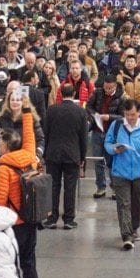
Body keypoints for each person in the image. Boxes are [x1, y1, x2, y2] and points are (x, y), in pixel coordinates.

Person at [0, 111, 41, 278]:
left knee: (11, 263)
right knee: (29, 260)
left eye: (0, 143)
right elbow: (30, 138)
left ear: (6, 146)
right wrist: (27, 112)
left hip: (14, 224)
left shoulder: (4, 169)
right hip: (31, 218)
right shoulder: (29, 158)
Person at [42, 83, 88, 229]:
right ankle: (68, 219)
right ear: (74, 93)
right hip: (72, 154)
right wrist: (82, 157)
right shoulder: (80, 112)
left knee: (53, 187)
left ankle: (52, 218)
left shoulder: (51, 110)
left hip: (53, 154)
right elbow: (83, 138)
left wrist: (45, 153)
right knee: (70, 187)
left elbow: (45, 133)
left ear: (60, 93)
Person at [104, 98, 140, 250]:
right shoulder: (117, 125)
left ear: (139, 113)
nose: (130, 118)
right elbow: (107, 144)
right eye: (127, 114)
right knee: (123, 204)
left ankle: (134, 228)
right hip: (120, 172)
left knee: (136, 203)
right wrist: (114, 148)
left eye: (133, 114)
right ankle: (127, 236)